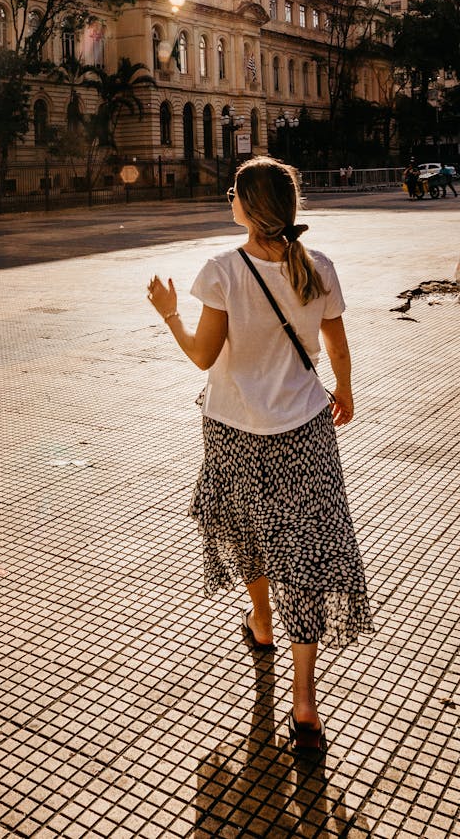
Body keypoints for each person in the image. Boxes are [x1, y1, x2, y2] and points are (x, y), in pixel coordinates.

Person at [146, 156, 372, 756]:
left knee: (247, 529)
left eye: (233, 193)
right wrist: (344, 390)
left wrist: (168, 312)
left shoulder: (223, 271)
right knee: (303, 552)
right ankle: (304, 704)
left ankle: (262, 619)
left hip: (234, 430)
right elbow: (338, 345)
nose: (229, 199)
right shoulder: (316, 267)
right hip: (305, 430)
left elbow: (201, 355)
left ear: (249, 207)